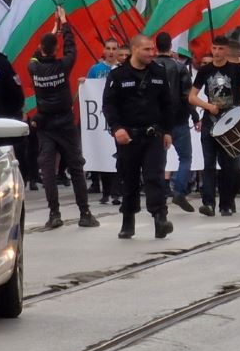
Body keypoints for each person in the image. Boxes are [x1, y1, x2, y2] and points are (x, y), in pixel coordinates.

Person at [102, 34, 175, 239]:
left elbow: (167, 105)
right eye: (146, 50)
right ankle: (128, 221)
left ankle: (160, 218)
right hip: (129, 136)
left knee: (155, 176)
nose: (152, 53)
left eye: (152, 49)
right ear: (134, 50)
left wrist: (168, 131)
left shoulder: (159, 73)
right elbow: (109, 104)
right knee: (129, 178)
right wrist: (117, 128)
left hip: (153, 135)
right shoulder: (118, 75)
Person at [28, 23, 100, 231]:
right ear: (56, 50)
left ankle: (54, 213)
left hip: (45, 124)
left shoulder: (33, 68)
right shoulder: (63, 66)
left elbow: (36, 54)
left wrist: (53, 30)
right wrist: (65, 26)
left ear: (41, 48)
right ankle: (85, 213)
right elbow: (71, 49)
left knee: (48, 170)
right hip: (66, 124)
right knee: (76, 167)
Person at [190, 35, 240, 217]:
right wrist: (208, 106)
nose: (216, 52)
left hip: (230, 121)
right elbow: (192, 96)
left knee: (228, 165)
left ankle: (226, 203)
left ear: (226, 50)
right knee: (208, 164)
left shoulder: (235, 70)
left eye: (220, 49)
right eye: (214, 48)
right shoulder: (205, 70)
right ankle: (208, 203)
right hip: (210, 120)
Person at [154, 31, 197, 213]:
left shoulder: (150, 67)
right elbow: (187, 96)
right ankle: (179, 191)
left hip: (156, 121)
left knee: (157, 160)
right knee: (185, 158)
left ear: (156, 46)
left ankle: (158, 195)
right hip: (178, 119)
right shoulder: (180, 68)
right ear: (170, 46)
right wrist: (195, 116)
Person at [87, 38, 124, 204]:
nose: (111, 52)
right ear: (104, 50)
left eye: (114, 48)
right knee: (104, 155)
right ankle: (106, 191)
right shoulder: (95, 69)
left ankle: (116, 192)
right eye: (108, 48)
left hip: (117, 119)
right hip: (100, 121)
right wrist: (84, 84)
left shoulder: (122, 70)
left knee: (118, 157)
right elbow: (89, 89)